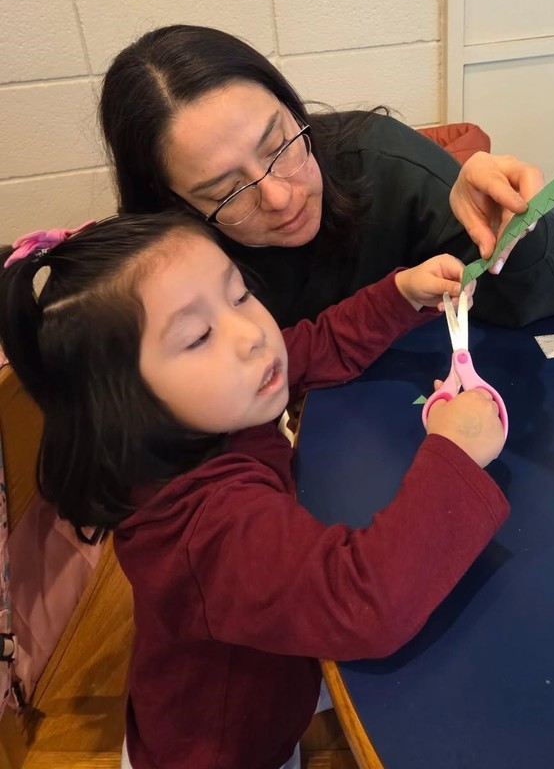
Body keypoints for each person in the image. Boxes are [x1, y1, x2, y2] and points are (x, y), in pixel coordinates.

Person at [0, 214, 508, 769]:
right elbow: (366, 601)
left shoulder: (211, 408)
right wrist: (456, 454)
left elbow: (315, 345)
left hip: (256, 686)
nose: (251, 335)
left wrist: (400, 294)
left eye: (238, 295)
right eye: (197, 337)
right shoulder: (208, 526)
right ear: (123, 408)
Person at [99, 25, 554, 327]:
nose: (279, 196)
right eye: (227, 191)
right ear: (175, 204)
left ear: (293, 109)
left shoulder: (382, 164)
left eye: (279, 146)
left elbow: (550, 296)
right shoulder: (163, 266)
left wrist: (516, 226)